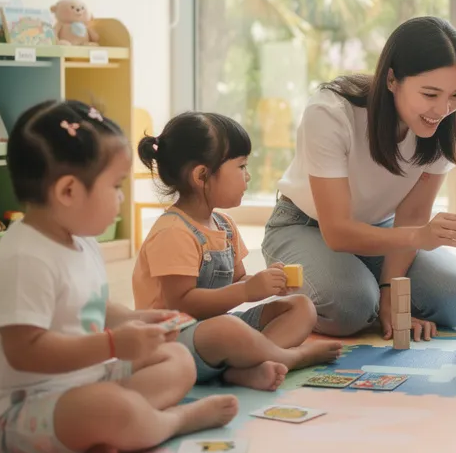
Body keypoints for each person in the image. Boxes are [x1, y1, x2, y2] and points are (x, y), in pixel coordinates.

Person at [0, 101, 238, 453]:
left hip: (81, 384)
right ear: (69, 192)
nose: (121, 198)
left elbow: (92, 306)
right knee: (110, 408)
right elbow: (25, 352)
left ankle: (100, 432)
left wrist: (136, 320)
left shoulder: (79, 240)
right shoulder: (22, 260)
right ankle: (171, 422)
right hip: (17, 410)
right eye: (115, 186)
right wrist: (111, 344)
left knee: (178, 360)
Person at [263, 17, 456, 338]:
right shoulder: (331, 113)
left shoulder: (443, 124)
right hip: (306, 226)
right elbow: (338, 233)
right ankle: (336, 294)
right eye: (430, 94)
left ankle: (370, 294)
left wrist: (392, 292)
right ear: (392, 79)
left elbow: (412, 217)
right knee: (351, 307)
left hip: (382, 230)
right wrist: (421, 238)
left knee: (455, 295)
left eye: (455, 94)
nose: (443, 109)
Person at [134, 112, 343, 391]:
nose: (249, 175)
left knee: (301, 307)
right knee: (229, 329)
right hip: (172, 343)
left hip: (219, 332)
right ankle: (288, 357)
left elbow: (237, 281)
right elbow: (181, 304)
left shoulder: (225, 226)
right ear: (201, 175)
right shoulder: (173, 231)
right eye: (241, 166)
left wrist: (265, 283)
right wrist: (246, 292)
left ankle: (247, 366)